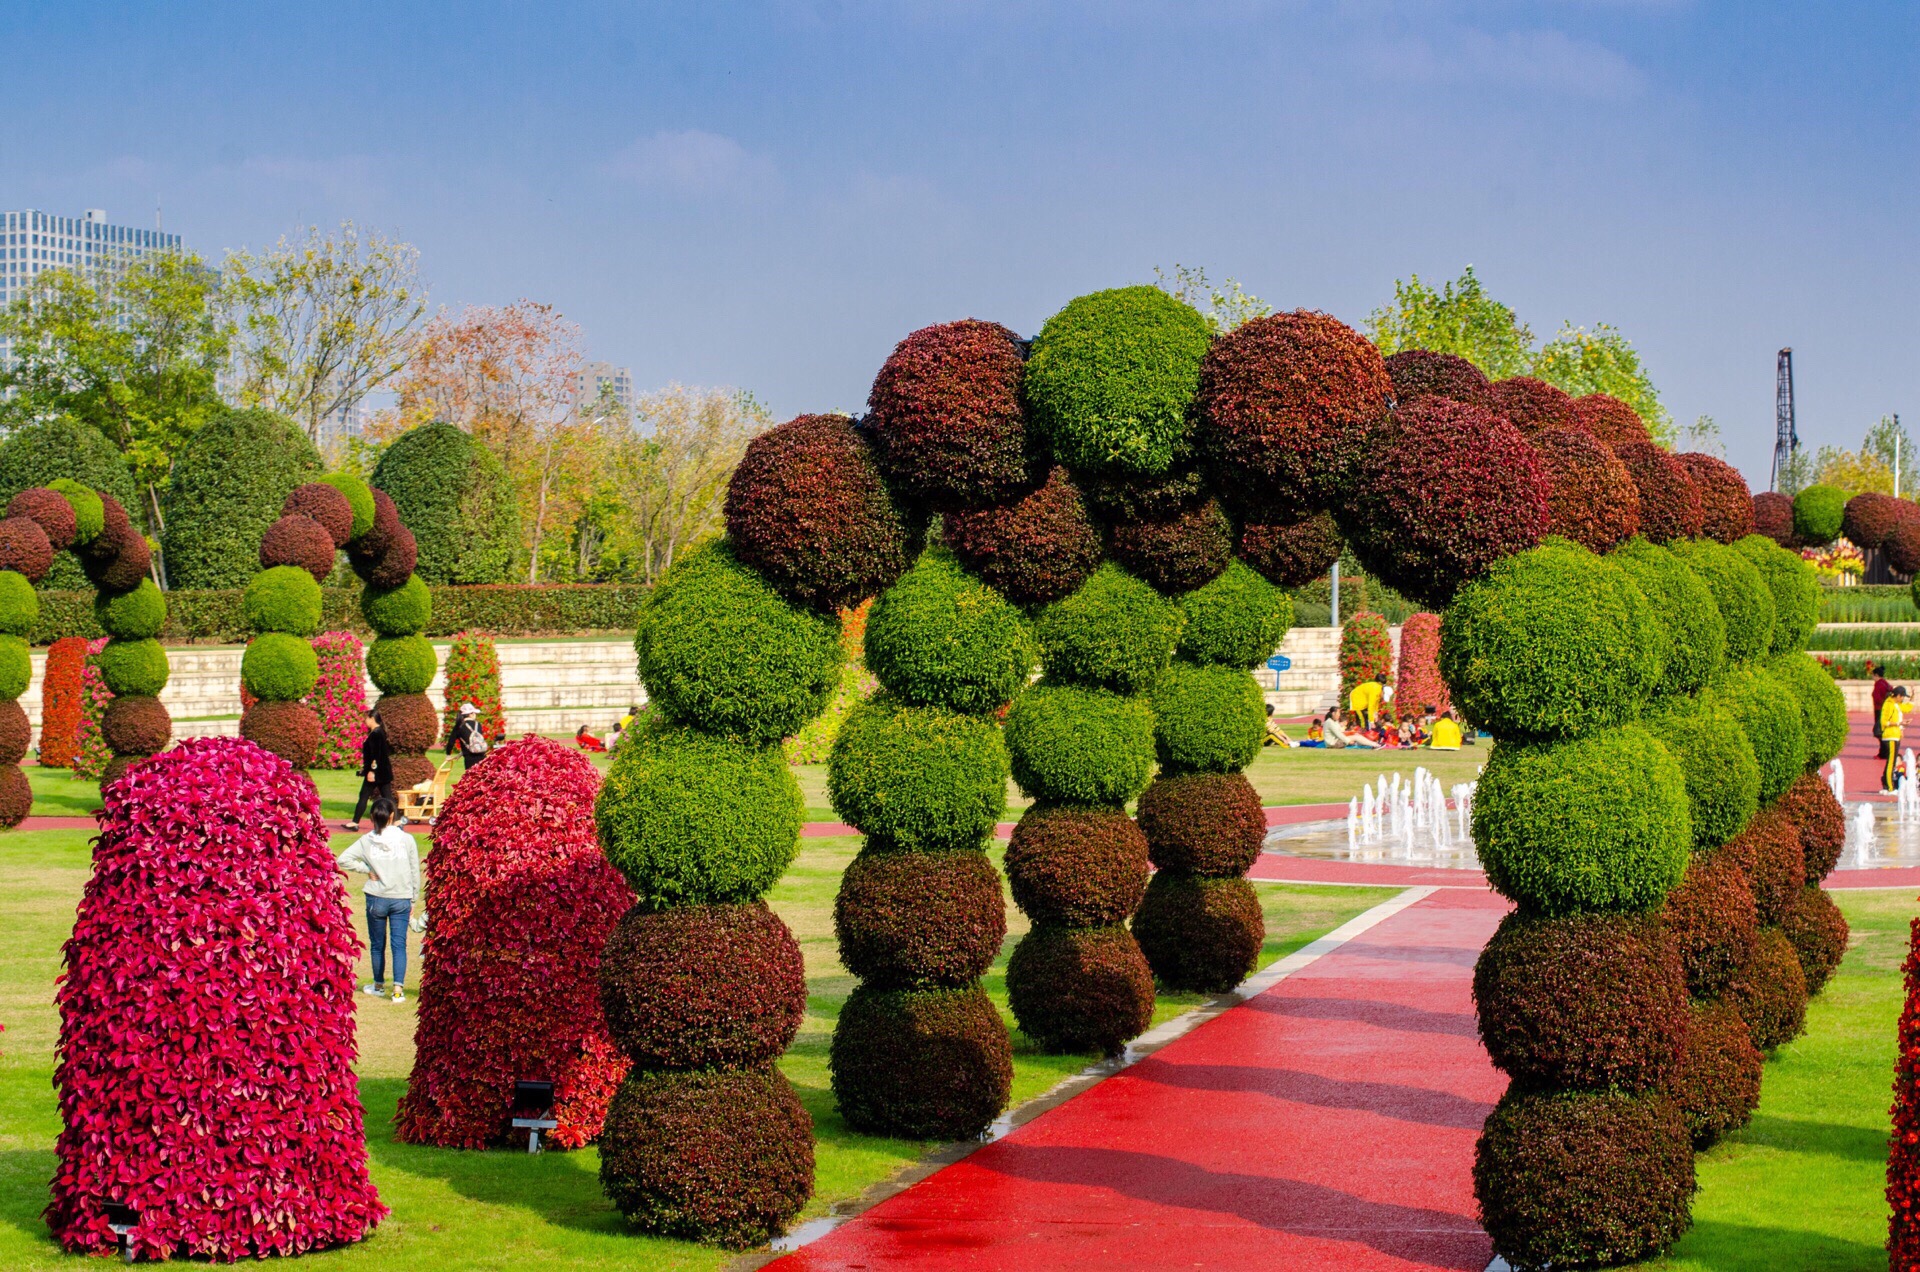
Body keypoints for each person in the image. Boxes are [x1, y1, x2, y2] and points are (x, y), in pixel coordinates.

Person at [335, 796, 424, 1003]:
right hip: (401, 897)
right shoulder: (406, 839)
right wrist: (413, 899)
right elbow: (414, 871)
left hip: (376, 898)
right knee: (399, 944)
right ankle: (398, 990)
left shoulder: (367, 840)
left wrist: (366, 869)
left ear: (373, 817)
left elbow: (343, 859)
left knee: (377, 945)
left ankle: (378, 985)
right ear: (392, 815)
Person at [343, 708, 393, 831]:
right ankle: (396, 822)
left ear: (372, 718)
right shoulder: (378, 732)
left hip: (377, 773)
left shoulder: (376, 733)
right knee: (387, 796)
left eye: (366, 718)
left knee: (364, 795)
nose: (365, 721)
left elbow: (376, 755)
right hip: (382, 772)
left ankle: (355, 822)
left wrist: (372, 771)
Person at [1884, 686, 1913, 792]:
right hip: (1890, 736)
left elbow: (1906, 708)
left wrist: (1912, 699)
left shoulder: (1896, 704)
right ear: (1898, 696)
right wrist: (1899, 724)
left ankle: (1887, 783)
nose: (1903, 700)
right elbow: (1884, 721)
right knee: (1891, 762)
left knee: (1892, 761)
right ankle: (1889, 786)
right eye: (1903, 697)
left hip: (1895, 735)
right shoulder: (1889, 705)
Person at [447, 701, 490, 773]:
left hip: (469, 758)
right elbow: (476, 741)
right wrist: (461, 753)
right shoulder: (478, 724)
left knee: (471, 780)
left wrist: (448, 755)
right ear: (470, 714)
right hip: (482, 756)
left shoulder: (459, 726)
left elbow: (451, 742)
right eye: (474, 713)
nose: (475, 715)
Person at [1873, 661, 1894, 766]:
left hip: (1880, 710)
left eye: (1873, 676)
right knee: (1882, 731)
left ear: (1876, 675)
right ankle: (1885, 752)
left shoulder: (1878, 684)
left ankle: (1884, 753)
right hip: (1885, 710)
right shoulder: (1886, 683)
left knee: (1878, 732)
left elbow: (1877, 698)